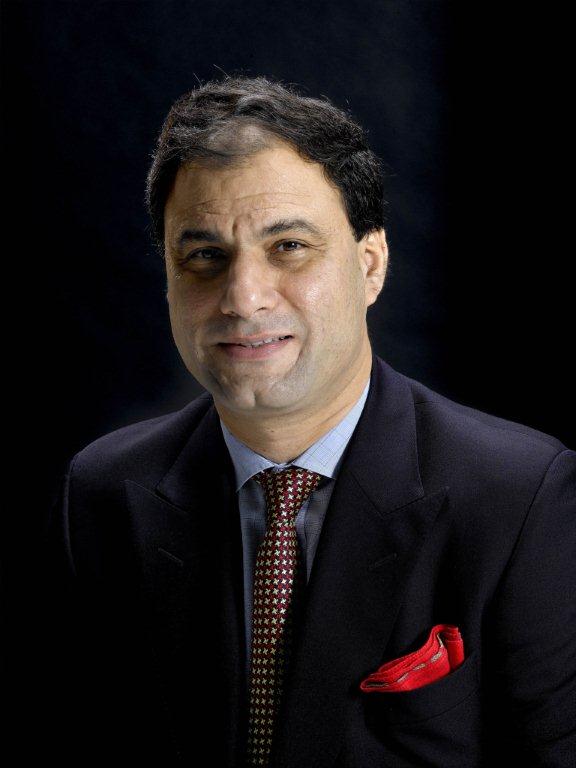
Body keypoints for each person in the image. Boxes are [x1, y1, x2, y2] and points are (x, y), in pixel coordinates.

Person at [39, 76, 575, 768]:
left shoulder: (520, 498)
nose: (243, 298)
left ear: (370, 265)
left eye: (289, 245)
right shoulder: (101, 495)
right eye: (204, 256)